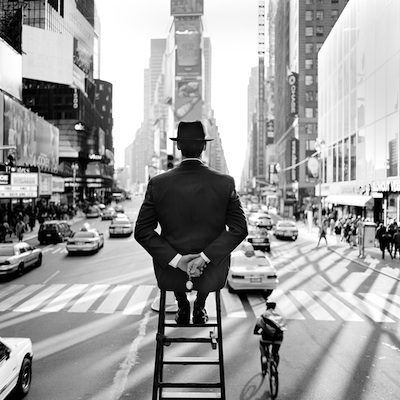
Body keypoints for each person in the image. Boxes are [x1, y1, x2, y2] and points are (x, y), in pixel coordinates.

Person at [134, 121, 248, 325]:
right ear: (204, 146)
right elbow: (240, 229)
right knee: (208, 270)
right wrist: (204, 257)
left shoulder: (158, 184)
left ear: (178, 147)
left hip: (171, 275)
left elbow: (142, 231)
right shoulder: (225, 183)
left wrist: (178, 260)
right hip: (211, 274)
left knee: (172, 259)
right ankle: (200, 307)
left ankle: (182, 305)